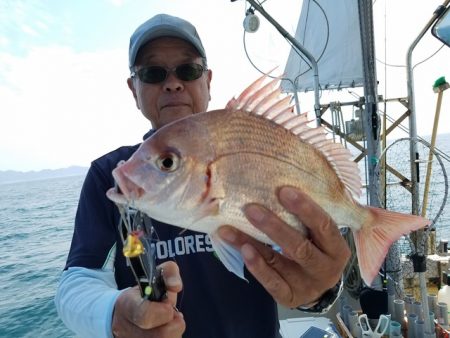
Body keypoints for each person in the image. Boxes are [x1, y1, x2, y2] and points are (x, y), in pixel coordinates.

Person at [55, 13, 351, 338]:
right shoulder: (112, 174)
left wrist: (320, 288)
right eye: (153, 73)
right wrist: (113, 315)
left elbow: (297, 258)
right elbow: (78, 281)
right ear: (133, 88)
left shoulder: (252, 150)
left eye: (188, 69)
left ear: (207, 80)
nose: (172, 83)